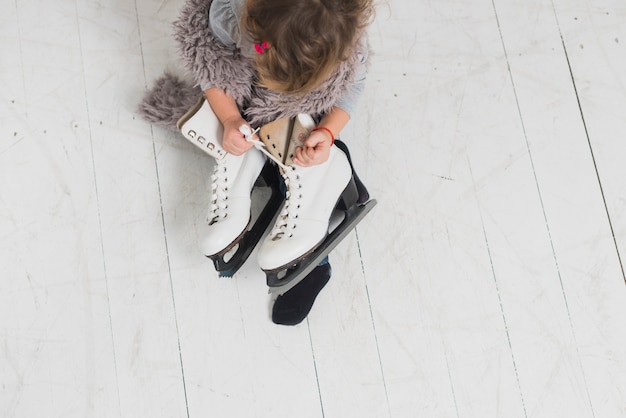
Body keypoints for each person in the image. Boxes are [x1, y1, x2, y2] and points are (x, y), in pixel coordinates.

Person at [175, 0, 374, 325]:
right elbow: (209, 67)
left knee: (300, 149)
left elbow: (353, 87)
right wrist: (229, 119)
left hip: (309, 106)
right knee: (232, 122)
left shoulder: (341, 37)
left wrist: (327, 131)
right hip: (246, 92)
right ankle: (250, 158)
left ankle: (310, 255)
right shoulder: (231, 16)